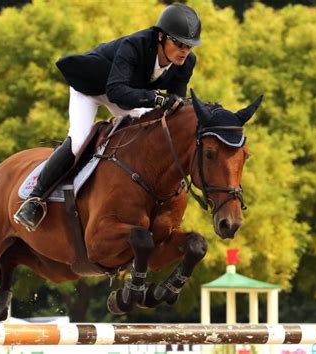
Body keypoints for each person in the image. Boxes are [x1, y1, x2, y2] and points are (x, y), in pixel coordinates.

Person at [14, 3, 201, 231]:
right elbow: (115, 91)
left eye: (189, 46)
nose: (184, 51)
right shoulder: (135, 46)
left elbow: (174, 103)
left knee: (151, 133)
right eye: (179, 44)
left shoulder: (186, 63)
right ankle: (34, 200)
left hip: (129, 96)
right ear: (161, 37)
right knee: (79, 140)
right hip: (92, 89)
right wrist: (157, 99)